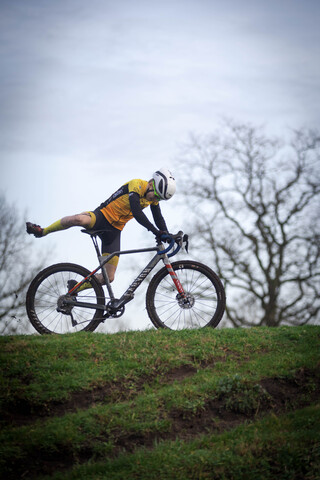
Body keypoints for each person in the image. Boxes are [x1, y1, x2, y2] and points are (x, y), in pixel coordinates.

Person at [26, 167, 176, 285]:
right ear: (151, 183)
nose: (155, 200)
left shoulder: (152, 199)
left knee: (108, 277)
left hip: (114, 231)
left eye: (159, 199)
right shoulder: (136, 185)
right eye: (155, 196)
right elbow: (137, 212)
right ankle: (43, 231)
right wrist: (157, 232)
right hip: (101, 217)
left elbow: (158, 217)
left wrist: (168, 234)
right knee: (79, 219)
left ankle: (76, 288)